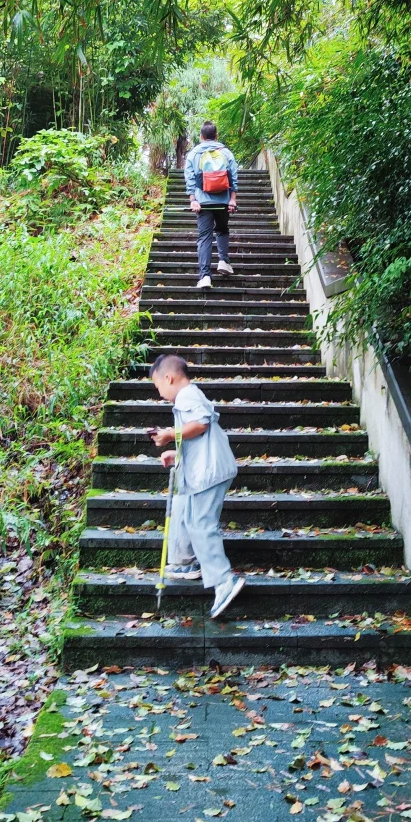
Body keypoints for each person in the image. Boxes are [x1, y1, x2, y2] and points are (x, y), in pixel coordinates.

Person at [149, 353, 245, 618]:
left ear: (169, 378)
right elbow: (199, 438)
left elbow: (201, 424)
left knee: (202, 524)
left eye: (158, 386)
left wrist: (170, 434)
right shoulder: (187, 397)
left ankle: (225, 581)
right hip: (205, 470)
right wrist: (176, 453)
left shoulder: (188, 395)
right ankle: (188, 564)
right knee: (193, 521)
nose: (159, 393)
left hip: (210, 473)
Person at [183, 121, 239, 290]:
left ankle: (205, 276)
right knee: (222, 230)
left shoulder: (193, 154)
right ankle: (223, 261)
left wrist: (193, 200)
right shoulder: (226, 153)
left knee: (204, 237)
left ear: (201, 137)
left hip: (203, 203)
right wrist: (232, 199)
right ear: (216, 136)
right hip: (223, 201)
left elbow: (190, 179)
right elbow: (233, 178)